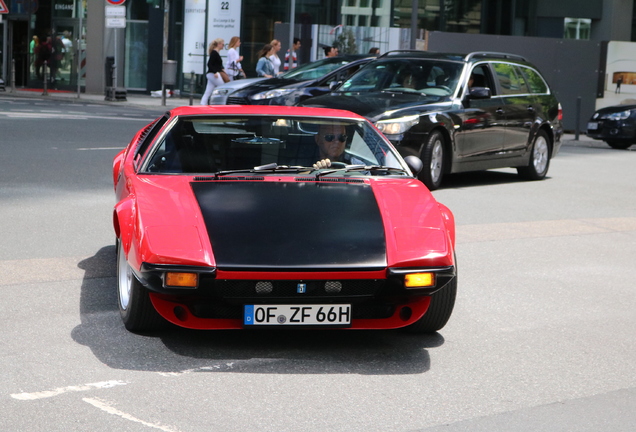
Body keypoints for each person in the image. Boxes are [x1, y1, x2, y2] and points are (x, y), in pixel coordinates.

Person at [201, 38, 226, 105]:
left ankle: (203, 104)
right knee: (223, 87)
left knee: (208, 91)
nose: (223, 46)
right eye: (222, 44)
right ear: (219, 44)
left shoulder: (215, 53)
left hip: (212, 74)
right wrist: (215, 72)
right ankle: (221, 103)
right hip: (213, 74)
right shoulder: (214, 53)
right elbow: (209, 64)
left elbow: (216, 64)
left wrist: (222, 69)